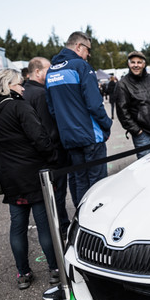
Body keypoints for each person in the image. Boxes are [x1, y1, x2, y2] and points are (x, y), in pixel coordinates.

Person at [0, 68, 59, 290]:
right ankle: (55, 270)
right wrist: (53, 158)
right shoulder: (19, 106)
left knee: (18, 226)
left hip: (9, 178)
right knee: (44, 226)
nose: (23, 87)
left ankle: (23, 273)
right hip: (33, 175)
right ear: (7, 85)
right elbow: (40, 139)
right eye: (18, 83)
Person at [46, 31, 112, 206]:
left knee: (80, 181)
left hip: (69, 138)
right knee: (98, 183)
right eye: (88, 50)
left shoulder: (51, 71)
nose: (88, 54)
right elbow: (94, 104)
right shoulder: (80, 66)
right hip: (90, 136)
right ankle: (97, 222)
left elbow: (52, 109)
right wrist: (107, 125)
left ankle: (82, 218)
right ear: (78, 46)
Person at [23, 57, 70, 234]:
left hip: (34, 156)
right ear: (37, 72)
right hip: (51, 155)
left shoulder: (24, 92)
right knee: (56, 196)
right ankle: (62, 229)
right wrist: (56, 155)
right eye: (48, 69)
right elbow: (48, 129)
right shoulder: (41, 94)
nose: (51, 73)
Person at [115, 51, 150, 159]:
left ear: (144, 64)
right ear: (128, 64)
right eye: (133, 62)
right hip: (142, 134)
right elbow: (122, 112)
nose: (136, 65)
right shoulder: (123, 84)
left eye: (139, 62)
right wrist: (137, 131)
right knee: (145, 165)